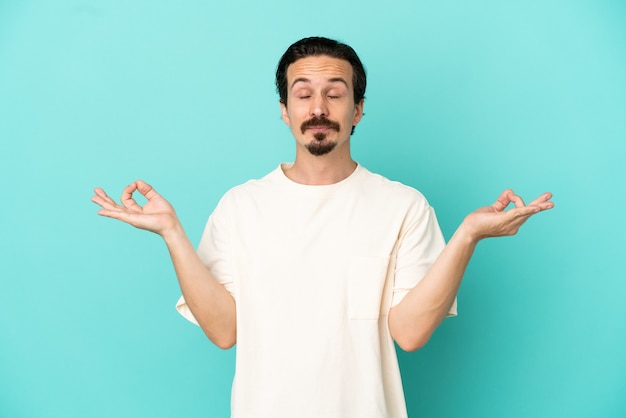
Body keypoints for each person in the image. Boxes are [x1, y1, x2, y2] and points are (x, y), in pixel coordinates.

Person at [91, 36, 554, 418]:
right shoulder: (241, 206)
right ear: (284, 110)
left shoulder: (403, 206)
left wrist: (468, 234)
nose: (318, 107)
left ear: (356, 110)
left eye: (335, 93)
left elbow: (410, 334)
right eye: (303, 93)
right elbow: (224, 330)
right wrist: (172, 233)